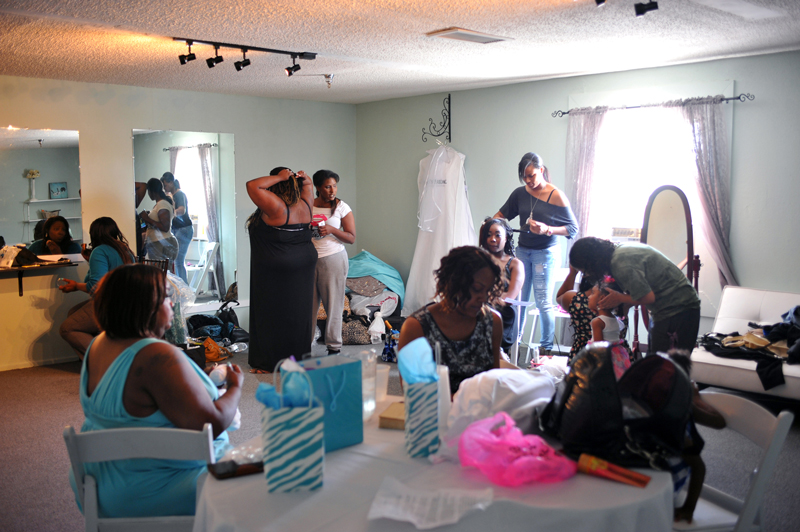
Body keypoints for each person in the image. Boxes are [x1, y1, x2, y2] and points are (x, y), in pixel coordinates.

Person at [68, 264, 242, 518]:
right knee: (264, 484)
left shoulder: (98, 344)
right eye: (167, 298)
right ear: (142, 306)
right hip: (154, 490)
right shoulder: (156, 356)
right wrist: (235, 388)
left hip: (100, 483)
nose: (172, 304)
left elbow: (140, 399)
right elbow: (212, 424)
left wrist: (195, 380)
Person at [493, 152, 578, 357]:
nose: (528, 181)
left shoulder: (556, 195)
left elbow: (572, 228)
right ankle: (514, 343)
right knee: (518, 298)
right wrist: (495, 225)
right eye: (524, 176)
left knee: (542, 301)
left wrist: (548, 229)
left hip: (545, 254)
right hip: (523, 251)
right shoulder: (519, 194)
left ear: (541, 170)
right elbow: (500, 216)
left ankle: (546, 347)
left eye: (531, 175)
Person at [569, 236, 701, 353]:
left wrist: (620, 298)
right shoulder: (617, 252)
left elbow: (649, 297)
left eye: (584, 271)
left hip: (679, 309)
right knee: (655, 365)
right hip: (667, 310)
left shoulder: (620, 264)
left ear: (592, 263)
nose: (586, 276)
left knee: (662, 369)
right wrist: (625, 304)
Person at [398, 246, 503, 392]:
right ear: (453, 284)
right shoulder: (417, 327)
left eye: (488, 290)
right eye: (477, 289)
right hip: (433, 412)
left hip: (480, 412)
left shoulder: (492, 322)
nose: (484, 298)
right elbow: (413, 392)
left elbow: (494, 382)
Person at [246, 167, 317, 373]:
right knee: (298, 312)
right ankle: (297, 359)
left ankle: (271, 363)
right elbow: (309, 185)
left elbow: (252, 185)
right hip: (304, 262)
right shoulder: (305, 203)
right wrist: (303, 178)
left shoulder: (277, 206)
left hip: (278, 267)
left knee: (273, 313)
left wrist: (279, 176)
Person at [58, 217, 136, 359]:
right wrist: (91, 262)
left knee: (67, 328)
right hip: (128, 303)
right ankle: (100, 355)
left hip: (111, 304)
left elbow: (95, 287)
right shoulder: (125, 249)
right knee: (73, 312)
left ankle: (106, 360)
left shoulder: (99, 251)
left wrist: (76, 286)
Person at [310, 169, 356, 355]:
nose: (332, 190)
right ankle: (304, 345)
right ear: (318, 187)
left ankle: (334, 347)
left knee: (334, 305)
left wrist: (331, 229)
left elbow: (351, 238)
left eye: (335, 186)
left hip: (333, 259)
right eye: (328, 186)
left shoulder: (342, 207)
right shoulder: (308, 206)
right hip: (309, 260)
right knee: (308, 307)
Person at [478, 217, 525, 354]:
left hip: (503, 314)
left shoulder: (515, 264)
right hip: (478, 309)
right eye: (488, 235)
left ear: (506, 238)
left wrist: (484, 299)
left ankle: (497, 355)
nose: (493, 239)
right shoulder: (478, 260)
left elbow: (510, 296)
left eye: (497, 235)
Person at [555, 266, 596, 362]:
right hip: (617, 356)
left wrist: (572, 273)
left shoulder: (577, 299)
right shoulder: (620, 299)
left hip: (582, 355)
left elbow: (560, 297)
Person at [161, 172, 194, 284]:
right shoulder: (174, 196)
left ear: (171, 182)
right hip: (180, 230)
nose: (165, 188)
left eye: (165, 185)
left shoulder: (179, 194)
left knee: (178, 261)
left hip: (184, 229)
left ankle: (184, 291)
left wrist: (170, 213)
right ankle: (181, 288)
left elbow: (182, 210)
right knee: (176, 261)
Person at [139, 178, 179, 268]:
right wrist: (144, 220)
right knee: (158, 275)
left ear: (151, 191)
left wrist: (147, 218)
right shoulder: (158, 205)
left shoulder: (162, 204)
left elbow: (165, 227)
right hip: (157, 243)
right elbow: (151, 225)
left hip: (162, 244)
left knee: (161, 276)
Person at [587, 276, 626, 343]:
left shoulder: (597, 322)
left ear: (602, 298)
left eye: (592, 293)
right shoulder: (616, 320)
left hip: (604, 353)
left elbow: (599, 348)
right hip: (616, 352)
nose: (589, 297)